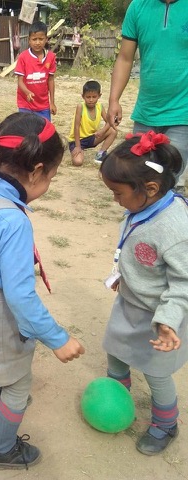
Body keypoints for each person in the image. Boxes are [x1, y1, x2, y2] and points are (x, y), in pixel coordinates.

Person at [0, 112, 85, 470]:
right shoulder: (13, 221)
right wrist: (57, 338)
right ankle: (2, 449)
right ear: (37, 170)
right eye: (52, 177)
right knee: (19, 381)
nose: (50, 183)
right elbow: (21, 297)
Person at [100, 131, 188, 455]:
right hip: (131, 302)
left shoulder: (176, 229)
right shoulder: (147, 206)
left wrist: (168, 321)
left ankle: (167, 425)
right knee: (115, 349)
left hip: (159, 317)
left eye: (117, 193)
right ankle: (116, 396)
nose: (115, 200)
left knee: (156, 371)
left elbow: (184, 283)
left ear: (150, 189)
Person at [107, 0, 188, 195]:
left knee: (168, 181)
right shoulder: (138, 7)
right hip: (146, 113)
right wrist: (114, 100)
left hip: (182, 113)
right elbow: (125, 58)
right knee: (139, 178)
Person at [14, 21, 56, 121]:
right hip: (25, 104)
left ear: (46, 39)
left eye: (41, 39)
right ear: (29, 40)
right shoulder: (23, 57)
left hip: (43, 105)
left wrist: (52, 103)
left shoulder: (51, 57)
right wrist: (27, 92)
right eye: (34, 39)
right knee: (27, 131)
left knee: (44, 131)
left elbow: (51, 80)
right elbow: (20, 81)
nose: (37, 42)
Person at [68, 80, 117, 166]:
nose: (91, 100)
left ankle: (101, 154)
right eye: (88, 97)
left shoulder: (100, 107)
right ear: (83, 96)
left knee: (113, 130)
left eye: (94, 97)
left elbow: (110, 122)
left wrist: (102, 130)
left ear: (99, 96)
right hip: (78, 140)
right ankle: (78, 150)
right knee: (78, 162)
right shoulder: (80, 107)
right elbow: (76, 127)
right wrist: (78, 146)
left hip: (92, 138)